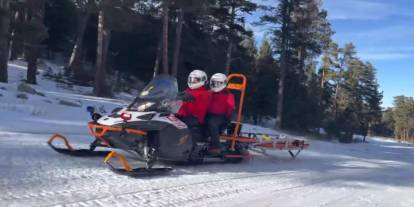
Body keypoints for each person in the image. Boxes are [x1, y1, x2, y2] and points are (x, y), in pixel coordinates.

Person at [176, 70, 211, 141]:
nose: (192, 81)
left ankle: (185, 143)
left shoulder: (204, 93)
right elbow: (181, 95)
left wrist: (183, 97)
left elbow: (190, 96)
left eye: (195, 80)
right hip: (184, 115)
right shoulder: (188, 90)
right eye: (191, 79)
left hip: (195, 117)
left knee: (182, 123)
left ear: (202, 80)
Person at [206, 73, 235, 154]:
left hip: (222, 117)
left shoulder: (228, 95)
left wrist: (227, 117)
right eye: (214, 83)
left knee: (211, 122)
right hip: (209, 114)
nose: (215, 85)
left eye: (218, 83)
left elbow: (230, 109)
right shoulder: (209, 93)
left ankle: (216, 146)